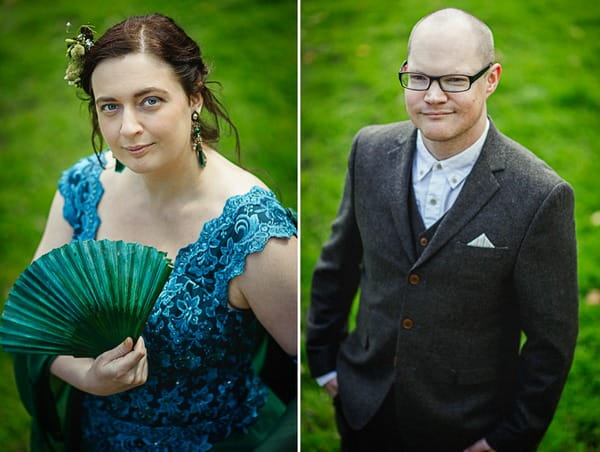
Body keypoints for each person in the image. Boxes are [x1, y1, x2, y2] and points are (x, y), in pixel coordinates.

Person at [13, 14, 297, 451]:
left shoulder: (252, 231)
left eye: (149, 100)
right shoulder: (83, 187)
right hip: (93, 436)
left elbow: (312, 353)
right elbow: (34, 317)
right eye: (110, 105)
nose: (128, 128)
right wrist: (86, 377)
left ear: (194, 98)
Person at [306, 8, 577, 452]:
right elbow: (338, 263)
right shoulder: (369, 151)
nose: (433, 96)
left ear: (491, 79)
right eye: (419, 78)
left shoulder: (539, 196)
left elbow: (552, 341)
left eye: (454, 81)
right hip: (363, 401)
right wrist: (325, 363)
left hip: (465, 425)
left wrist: (508, 438)